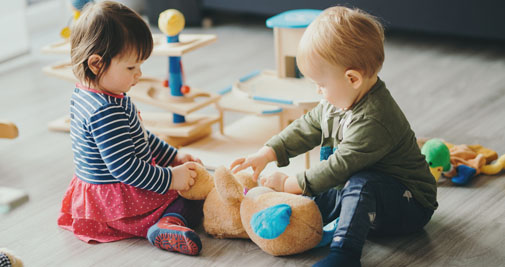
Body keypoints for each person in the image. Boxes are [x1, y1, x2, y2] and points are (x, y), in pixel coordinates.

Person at [231, 6, 437, 267]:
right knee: (317, 197)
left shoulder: (375, 118)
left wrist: (288, 183)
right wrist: (268, 152)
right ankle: (275, 223)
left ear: (352, 78)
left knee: (358, 182)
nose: (318, 91)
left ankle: (344, 255)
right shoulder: (336, 103)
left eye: (321, 84)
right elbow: (306, 126)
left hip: (409, 205)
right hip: (360, 192)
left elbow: (339, 169)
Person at [57, 1, 204, 256]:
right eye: (130, 67)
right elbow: (126, 168)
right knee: (192, 196)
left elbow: (139, 136)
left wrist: (172, 156)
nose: (138, 74)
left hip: (100, 197)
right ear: (96, 64)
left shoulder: (91, 92)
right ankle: (167, 223)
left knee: (186, 181)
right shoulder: (105, 110)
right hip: (119, 202)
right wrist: (171, 178)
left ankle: (164, 218)